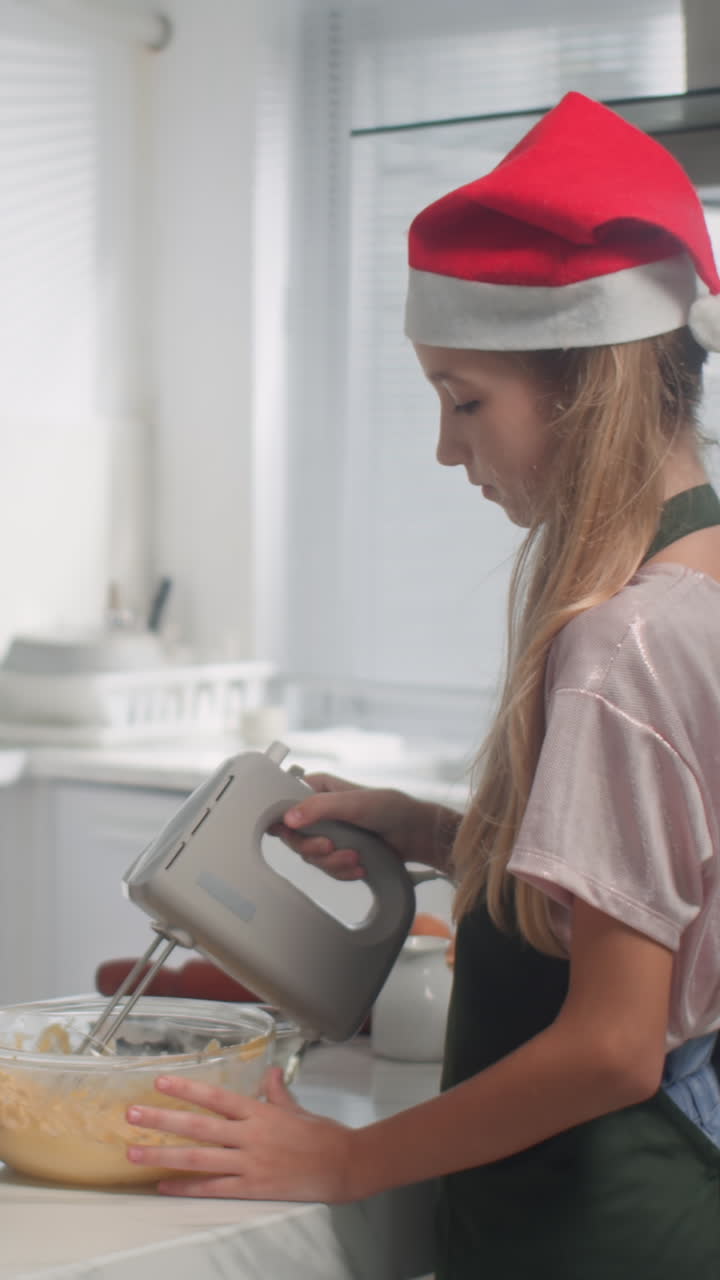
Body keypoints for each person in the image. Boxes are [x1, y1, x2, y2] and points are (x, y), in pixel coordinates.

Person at [126, 92, 720, 1277]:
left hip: (593, 1223)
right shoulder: (703, 582)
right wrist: (442, 835)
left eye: (465, 400)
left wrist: (345, 1158)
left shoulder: (626, 642)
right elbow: (666, 901)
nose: (448, 450)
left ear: (588, 385)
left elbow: (613, 1044)